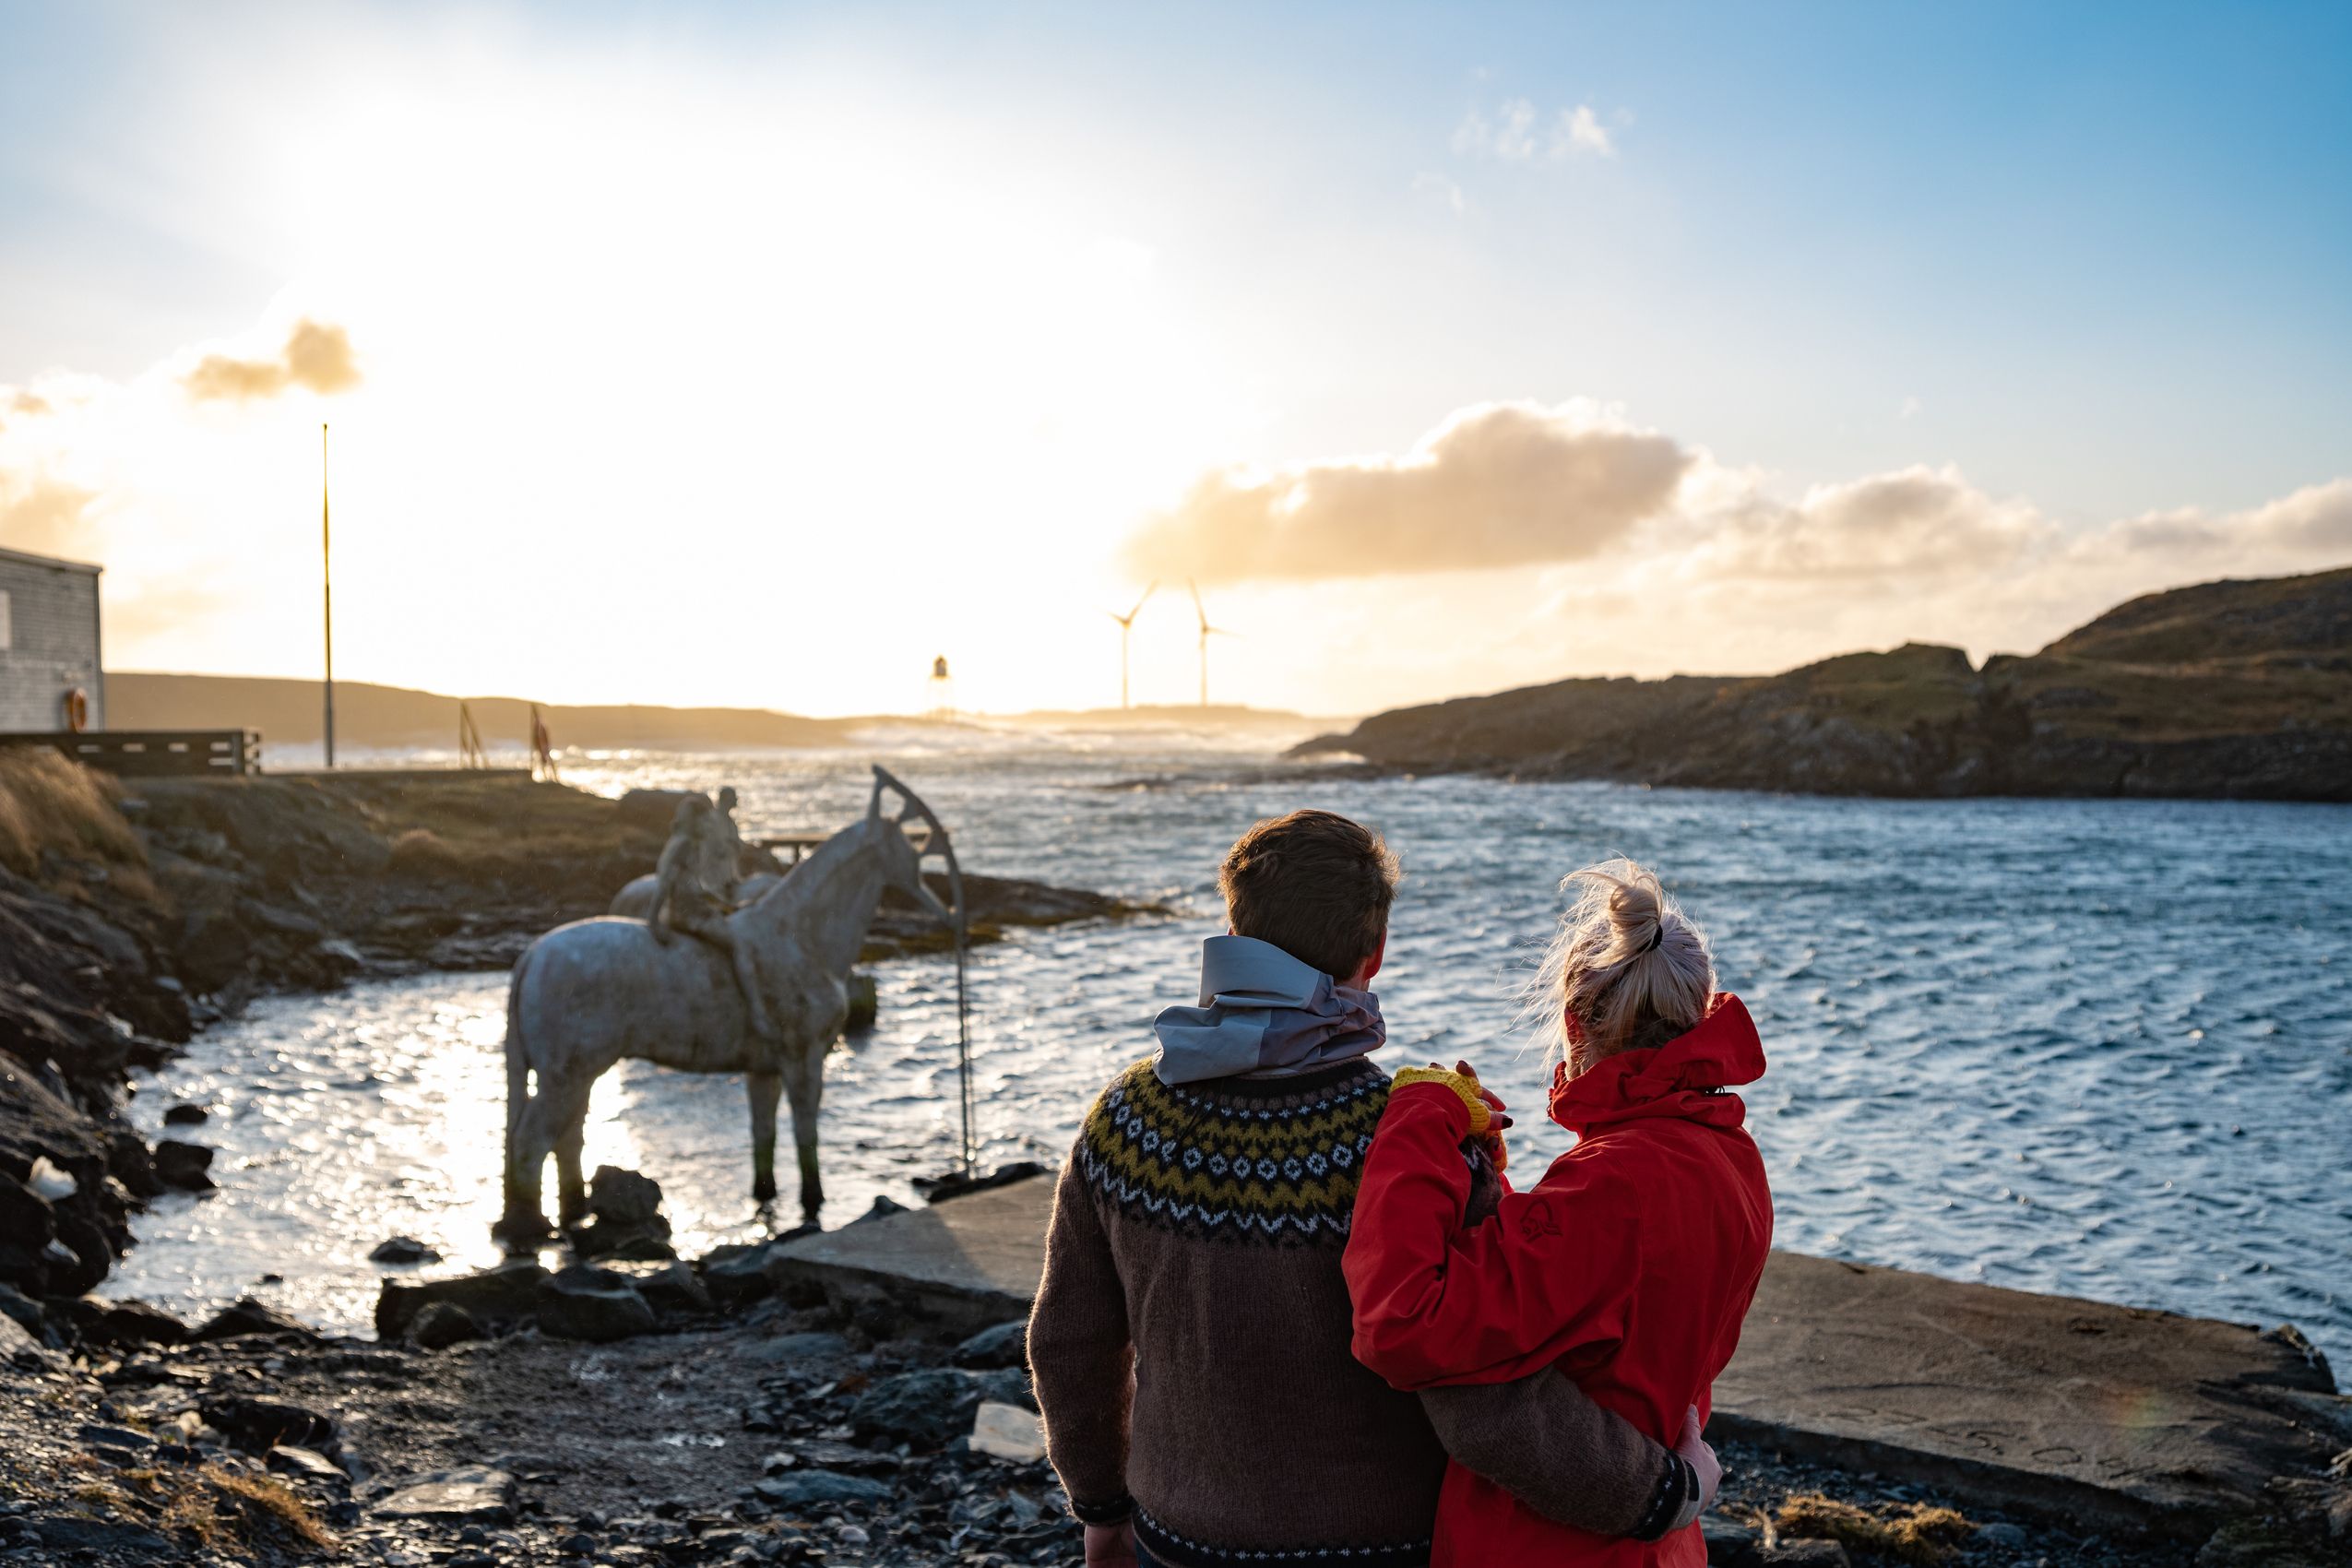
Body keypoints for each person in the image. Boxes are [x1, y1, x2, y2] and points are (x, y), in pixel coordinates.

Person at [1028, 814, 1719, 1568]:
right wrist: (1657, 1491)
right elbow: (1487, 1398)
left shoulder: (1126, 1119)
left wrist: (1099, 1506)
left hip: (1179, 1539)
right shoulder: (1412, 1145)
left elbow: (1071, 1340)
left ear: (1235, 931)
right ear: (1376, 953)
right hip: (1387, 1548)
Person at [1345, 859, 1774, 1566]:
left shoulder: (1610, 1182)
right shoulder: (1731, 1158)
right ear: (1697, 1014)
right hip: (1661, 1542)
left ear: (1575, 1023)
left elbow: (1402, 1325)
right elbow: (1605, 1310)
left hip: (1544, 1542)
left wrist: (1422, 1115)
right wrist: (1491, 1194)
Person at [649, 793, 778, 1042]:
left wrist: (731, 906)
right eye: (705, 822)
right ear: (694, 822)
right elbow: (665, 884)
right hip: (688, 915)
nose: (709, 827)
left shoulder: (687, 843)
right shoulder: (684, 845)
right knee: (739, 944)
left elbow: (697, 887)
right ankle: (757, 1010)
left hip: (694, 909)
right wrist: (653, 921)